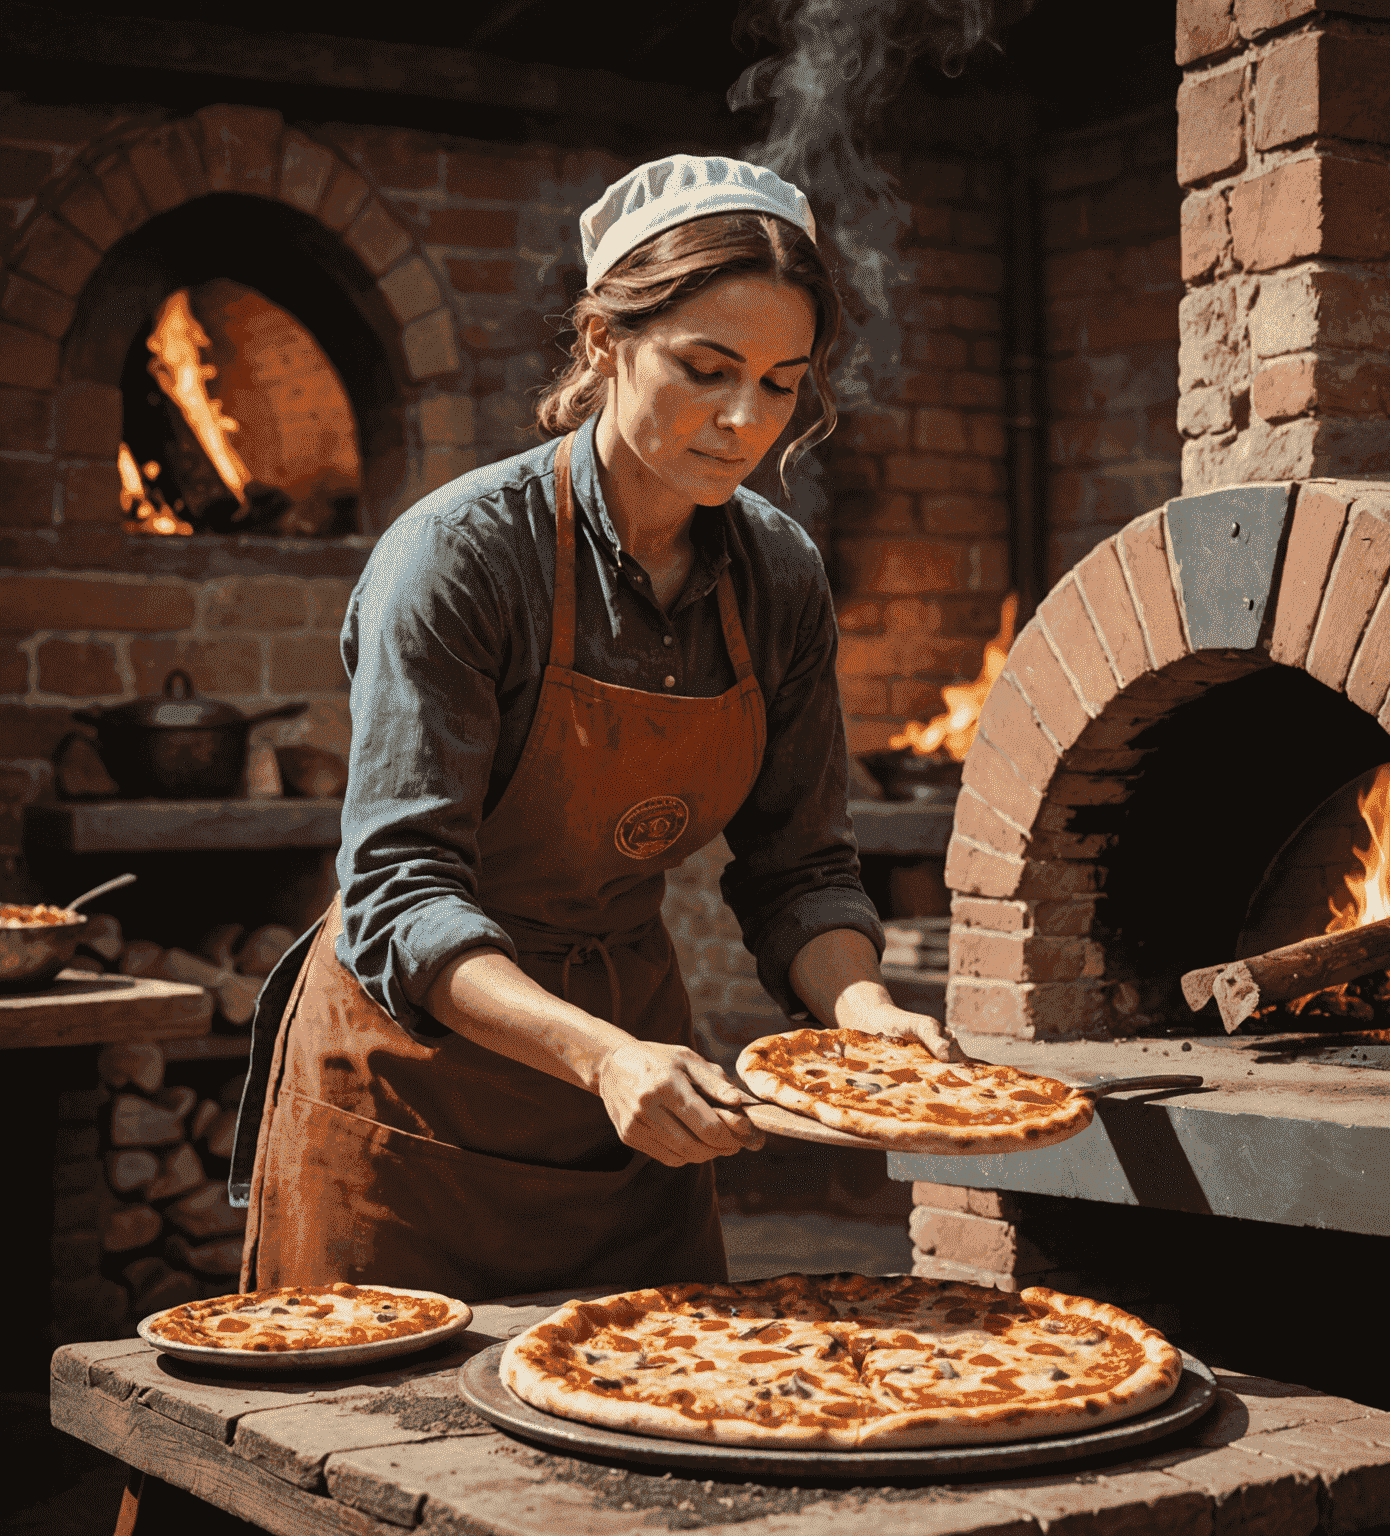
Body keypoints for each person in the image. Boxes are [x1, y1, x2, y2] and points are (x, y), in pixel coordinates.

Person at [230, 155, 956, 1302]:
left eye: (780, 383)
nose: (742, 420)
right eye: (705, 369)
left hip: (631, 1096)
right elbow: (402, 892)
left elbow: (801, 869)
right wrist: (600, 1057)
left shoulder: (779, 577)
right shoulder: (460, 559)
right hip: (415, 1096)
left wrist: (865, 1013)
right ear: (605, 341)